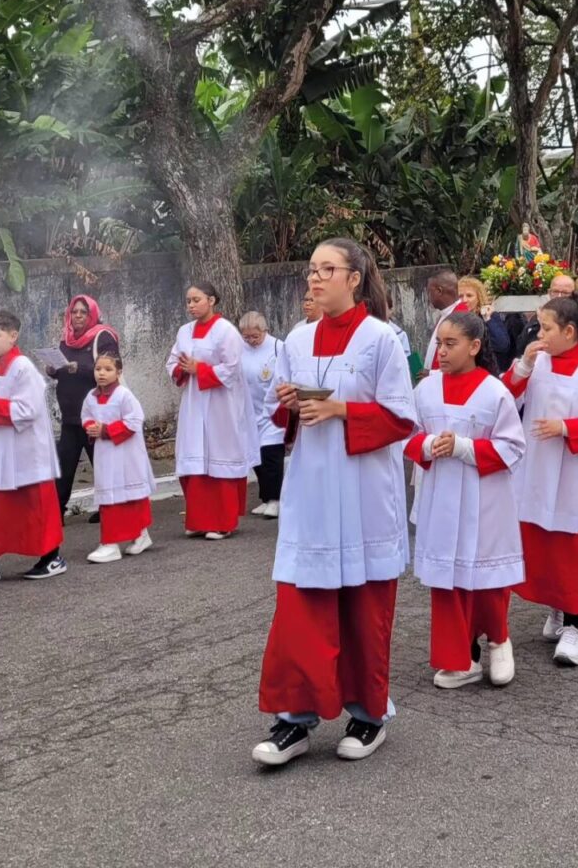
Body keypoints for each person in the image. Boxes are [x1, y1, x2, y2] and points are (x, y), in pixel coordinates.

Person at [253, 239, 416, 766]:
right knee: (300, 608)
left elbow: (401, 417)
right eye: (312, 269)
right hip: (312, 491)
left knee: (365, 610)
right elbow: (281, 413)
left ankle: (369, 715)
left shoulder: (381, 339)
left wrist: (343, 410)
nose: (315, 278)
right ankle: (293, 719)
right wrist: (288, 404)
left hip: (364, 491)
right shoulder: (297, 340)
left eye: (328, 269)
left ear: (354, 278)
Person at [500, 293, 578, 667]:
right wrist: (522, 366)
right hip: (538, 470)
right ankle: (556, 606)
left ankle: (575, 626)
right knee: (544, 546)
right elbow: (504, 399)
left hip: (576, 474)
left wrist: (567, 427)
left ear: (569, 332)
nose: (539, 334)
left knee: (573, 551)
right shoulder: (538, 364)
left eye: (546, 328)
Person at [405, 311, 525, 688]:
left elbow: (513, 446)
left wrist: (464, 447)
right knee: (447, 579)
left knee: (488, 575)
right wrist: (429, 444)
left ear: (474, 347)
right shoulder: (425, 389)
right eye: (439, 343)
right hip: (440, 495)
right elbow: (407, 434)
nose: (440, 351)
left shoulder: (494, 391)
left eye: (450, 344)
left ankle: (499, 641)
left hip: (483, 497)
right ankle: (461, 659)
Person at [0, 311, 65, 584]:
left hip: (28, 448)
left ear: (13, 336)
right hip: (0, 448)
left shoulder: (23, 368)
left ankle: (51, 557)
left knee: (36, 505)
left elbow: (29, 410)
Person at [167, 282, 260, 540]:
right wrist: (181, 369)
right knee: (194, 457)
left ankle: (223, 522)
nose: (191, 305)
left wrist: (201, 369)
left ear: (211, 300)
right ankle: (199, 520)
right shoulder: (184, 331)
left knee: (220, 457)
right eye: (188, 301)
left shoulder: (226, 331)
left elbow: (233, 368)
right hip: (193, 401)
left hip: (221, 404)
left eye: (196, 300)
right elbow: (172, 361)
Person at [46, 296, 120, 522]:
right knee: (64, 464)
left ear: (92, 315)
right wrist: (54, 370)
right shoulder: (67, 338)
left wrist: (80, 368)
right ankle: (56, 512)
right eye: (74, 312)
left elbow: (112, 368)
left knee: (103, 462)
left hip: (96, 413)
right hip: (70, 414)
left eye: (83, 312)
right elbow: (64, 371)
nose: (77, 316)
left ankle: (111, 508)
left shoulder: (103, 337)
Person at [80, 353, 156, 562]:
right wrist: (91, 427)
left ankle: (116, 542)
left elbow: (135, 420)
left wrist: (106, 430)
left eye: (108, 369)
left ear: (119, 372)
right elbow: (86, 416)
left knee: (131, 495)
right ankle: (134, 536)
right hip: (105, 454)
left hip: (126, 454)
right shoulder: (90, 397)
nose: (102, 373)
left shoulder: (124, 395)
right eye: (98, 369)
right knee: (109, 496)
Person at [239, 311, 285, 519]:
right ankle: (266, 497)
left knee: (271, 455)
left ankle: (276, 499)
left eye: (255, 336)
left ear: (264, 330)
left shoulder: (278, 347)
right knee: (256, 456)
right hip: (250, 410)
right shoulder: (240, 349)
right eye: (246, 337)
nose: (251, 340)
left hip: (272, 409)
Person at [513, 273, 576, 358]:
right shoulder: (539, 316)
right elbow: (521, 346)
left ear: (574, 294)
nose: (559, 296)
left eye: (565, 293)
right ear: (549, 292)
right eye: (555, 291)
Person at [422, 270, 467, 372]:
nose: (428, 297)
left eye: (429, 292)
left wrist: (431, 374)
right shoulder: (446, 314)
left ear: (439, 291)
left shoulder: (461, 318)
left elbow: (460, 359)